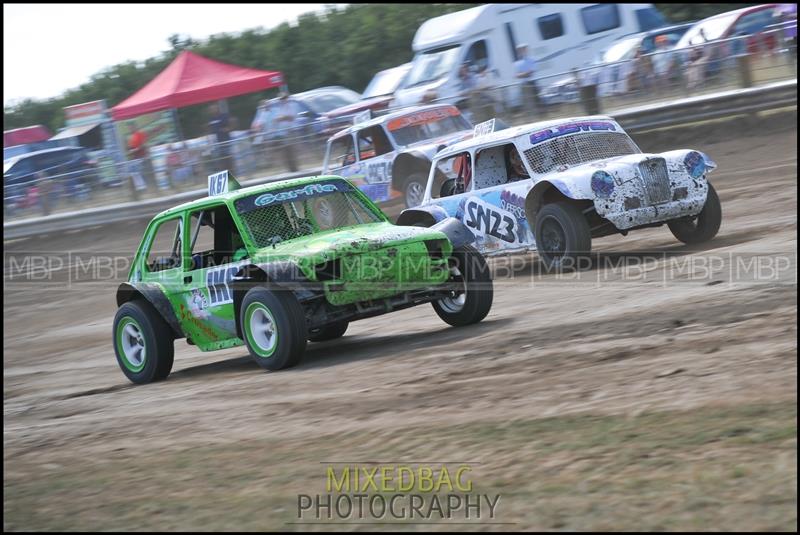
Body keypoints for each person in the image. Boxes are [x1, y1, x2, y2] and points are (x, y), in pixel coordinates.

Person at [273, 92, 299, 172]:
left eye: (283, 98)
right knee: (287, 150)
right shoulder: (281, 107)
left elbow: (292, 117)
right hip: (283, 132)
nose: (282, 100)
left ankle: (294, 168)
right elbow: (277, 119)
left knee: (292, 149)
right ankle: (291, 168)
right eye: (281, 99)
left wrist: (282, 118)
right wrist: (283, 118)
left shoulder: (292, 105)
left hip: (291, 130)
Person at [514, 44, 541, 114]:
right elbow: (516, 76)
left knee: (537, 102)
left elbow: (531, 73)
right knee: (527, 104)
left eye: (523, 49)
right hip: (523, 85)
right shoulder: (517, 63)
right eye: (520, 50)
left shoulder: (532, 60)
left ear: (526, 50)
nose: (521, 51)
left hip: (532, 83)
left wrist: (522, 74)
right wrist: (526, 73)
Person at [208, 102, 234, 173]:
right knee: (220, 160)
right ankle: (225, 175)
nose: (213, 110)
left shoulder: (224, 116)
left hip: (226, 141)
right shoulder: (211, 119)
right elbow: (210, 129)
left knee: (228, 158)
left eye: (214, 108)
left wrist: (227, 129)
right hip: (216, 143)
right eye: (211, 109)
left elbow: (232, 124)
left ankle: (233, 173)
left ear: (218, 108)